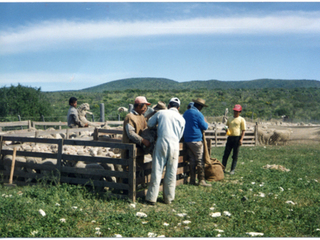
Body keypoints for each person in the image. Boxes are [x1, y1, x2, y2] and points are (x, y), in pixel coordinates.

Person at [145, 97, 185, 205]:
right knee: (171, 171)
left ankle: (152, 198)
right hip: (175, 144)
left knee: (157, 170)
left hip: (162, 141)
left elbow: (149, 124)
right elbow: (180, 135)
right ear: (178, 107)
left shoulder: (162, 113)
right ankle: (168, 198)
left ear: (168, 106)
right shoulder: (182, 119)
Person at [183, 98, 211, 187]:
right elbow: (204, 126)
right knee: (199, 160)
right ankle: (201, 180)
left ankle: (192, 179)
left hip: (187, 139)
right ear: (199, 106)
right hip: (196, 139)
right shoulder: (198, 114)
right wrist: (206, 122)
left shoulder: (186, 113)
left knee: (192, 159)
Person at [122, 96, 151, 167]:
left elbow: (145, 129)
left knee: (139, 168)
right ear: (138, 106)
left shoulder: (142, 117)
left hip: (139, 149)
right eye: (144, 106)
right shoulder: (130, 117)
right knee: (129, 169)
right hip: (129, 149)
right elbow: (131, 133)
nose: (146, 108)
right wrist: (143, 140)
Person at [222, 104, 246, 175]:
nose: (235, 113)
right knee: (226, 154)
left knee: (235, 155)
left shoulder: (241, 119)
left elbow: (243, 130)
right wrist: (226, 130)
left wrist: (241, 139)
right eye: (235, 111)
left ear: (240, 112)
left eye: (237, 111)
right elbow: (226, 126)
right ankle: (223, 168)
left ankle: (232, 170)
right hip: (230, 138)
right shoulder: (229, 119)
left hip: (237, 138)